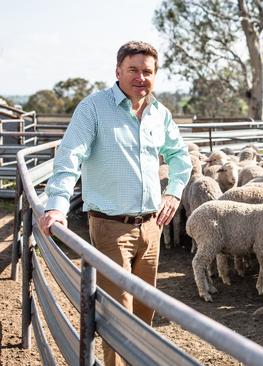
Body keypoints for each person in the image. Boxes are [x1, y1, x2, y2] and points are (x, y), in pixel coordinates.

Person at [38, 41, 191, 366]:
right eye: (133, 70)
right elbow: (69, 157)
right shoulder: (93, 108)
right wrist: (57, 205)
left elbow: (180, 156)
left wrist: (174, 191)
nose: (140, 77)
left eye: (147, 71)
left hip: (152, 228)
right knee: (119, 313)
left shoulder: (159, 114)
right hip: (110, 227)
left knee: (144, 307)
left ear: (155, 75)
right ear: (118, 71)